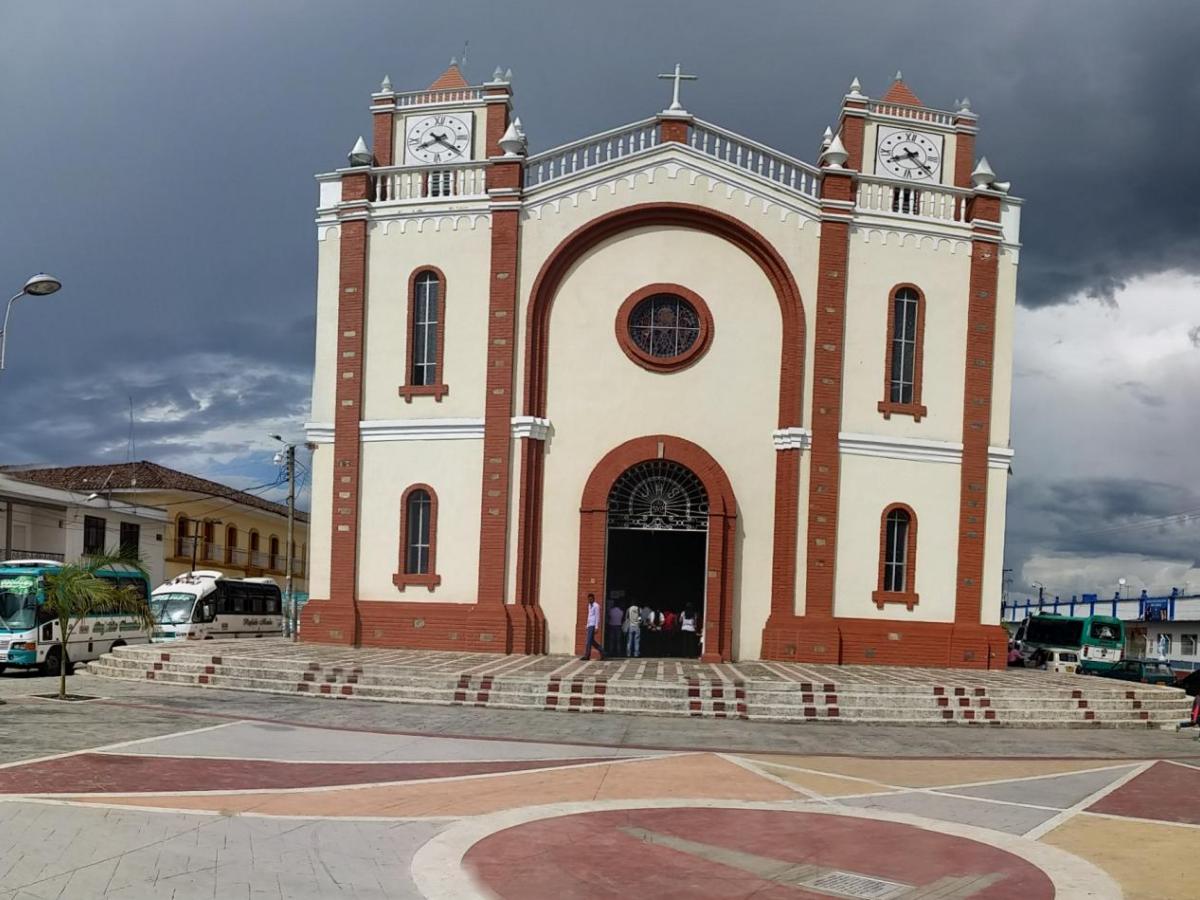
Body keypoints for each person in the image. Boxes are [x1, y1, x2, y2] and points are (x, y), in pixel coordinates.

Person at [580, 593, 605, 661]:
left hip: (593, 625)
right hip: (590, 624)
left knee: (588, 641)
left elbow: (597, 616)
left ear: (593, 598)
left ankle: (587, 655)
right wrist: (587, 625)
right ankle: (602, 651)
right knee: (591, 641)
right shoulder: (589, 605)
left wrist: (597, 627)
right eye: (589, 599)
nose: (590, 600)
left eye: (591, 599)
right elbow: (589, 616)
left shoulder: (596, 606)